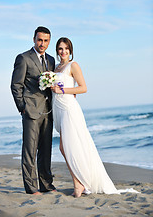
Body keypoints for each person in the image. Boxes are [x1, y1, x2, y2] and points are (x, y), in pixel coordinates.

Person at [51, 37, 139, 198]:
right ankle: (80, 182)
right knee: (66, 148)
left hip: (70, 109)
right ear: (57, 51)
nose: (63, 51)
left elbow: (83, 88)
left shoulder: (73, 65)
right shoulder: (56, 68)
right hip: (58, 109)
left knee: (68, 148)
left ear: (70, 50)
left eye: (66, 48)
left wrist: (62, 91)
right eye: (60, 49)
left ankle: (78, 184)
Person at [11, 26, 56, 195]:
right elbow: (16, 85)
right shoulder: (23, 58)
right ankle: (31, 188)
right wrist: (22, 107)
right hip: (30, 111)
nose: (42, 43)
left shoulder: (51, 60)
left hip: (48, 111)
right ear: (34, 39)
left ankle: (46, 184)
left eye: (45, 40)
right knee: (30, 150)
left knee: (46, 150)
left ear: (49, 41)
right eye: (39, 40)